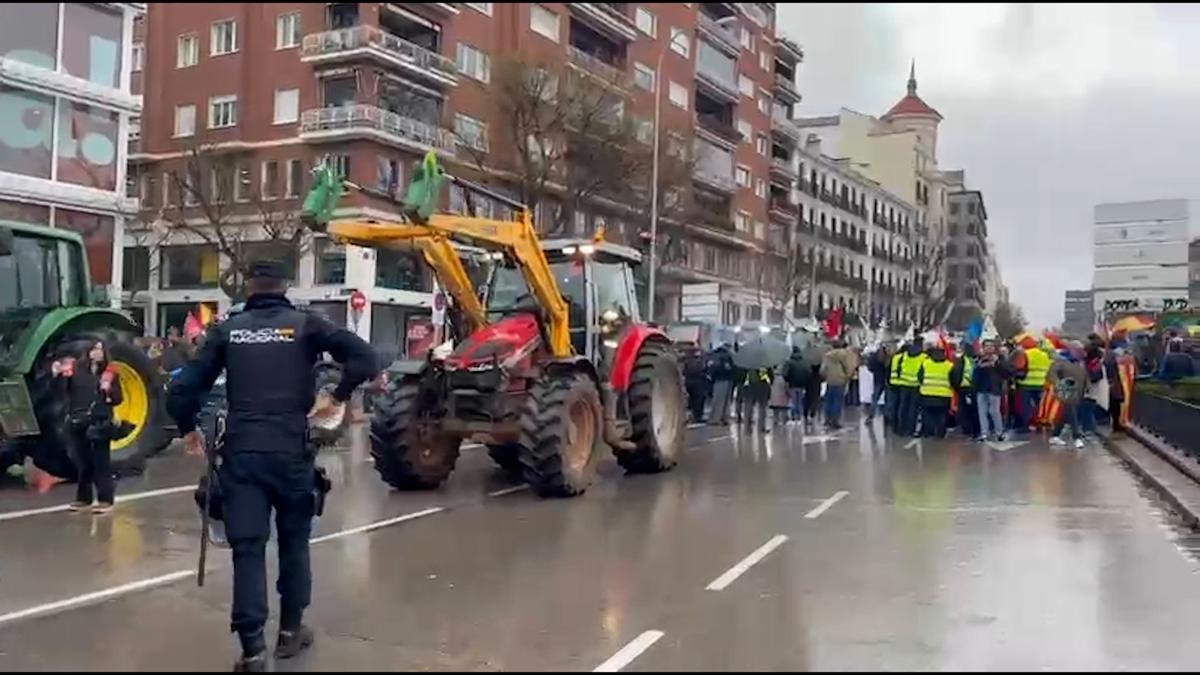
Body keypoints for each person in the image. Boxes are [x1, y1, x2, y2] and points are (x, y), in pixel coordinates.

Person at [167, 260, 379, 672]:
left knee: (247, 548)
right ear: (285, 285)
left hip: (243, 455)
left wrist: (188, 429)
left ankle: (252, 651)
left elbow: (182, 389)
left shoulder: (227, 331)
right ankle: (290, 633)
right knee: (294, 543)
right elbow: (366, 359)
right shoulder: (306, 326)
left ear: (248, 287)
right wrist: (338, 395)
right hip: (291, 453)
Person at [54, 340, 123, 515]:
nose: (97, 352)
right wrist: (58, 375)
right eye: (94, 349)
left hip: (99, 421)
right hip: (78, 420)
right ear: (88, 352)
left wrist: (108, 391)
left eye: (100, 349)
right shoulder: (77, 370)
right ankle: (83, 498)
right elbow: (64, 391)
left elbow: (118, 398)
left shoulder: (110, 373)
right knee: (83, 462)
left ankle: (105, 499)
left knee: (101, 462)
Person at [1047, 348, 1088, 448]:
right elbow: (1051, 375)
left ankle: (1055, 435)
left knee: (1064, 415)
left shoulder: (1078, 364)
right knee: (1071, 413)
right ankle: (1076, 438)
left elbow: (1084, 378)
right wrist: (1060, 385)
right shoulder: (1062, 362)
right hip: (1066, 393)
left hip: (1075, 392)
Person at [972, 340, 1009, 442]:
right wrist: (979, 367)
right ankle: (984, 433)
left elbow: (1008, 372)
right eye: (986, 346)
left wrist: (997, 363)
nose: (988, 348)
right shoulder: (978, 359)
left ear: (994, 348)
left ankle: (999, 432)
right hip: (981, 389)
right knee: (982, 412)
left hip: (994, 389)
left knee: (994, 411)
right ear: (983, 348)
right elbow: (974, 375)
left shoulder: (999, 359)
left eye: (991, 346)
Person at [917, 343, 954, 438]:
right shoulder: (949, 365)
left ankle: (928, 432)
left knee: (928, 415)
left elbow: (919, 377)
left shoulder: (925, 363)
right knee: (941, 415)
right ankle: (940, 433)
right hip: (944, 395)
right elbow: (954, 379)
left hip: (926, 393)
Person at [1013, 339, 1050, 432]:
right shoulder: (1044, 354)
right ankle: (1040, 423)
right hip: (1041, 383)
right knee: (1040, 405)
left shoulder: (1024, 354)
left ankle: (1026, 426)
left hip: (1026, 383)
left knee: (1025, 406)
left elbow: (1018, 367)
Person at [820, 340, 855, 430]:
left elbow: (823, 369)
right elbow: (849, 367)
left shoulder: (827, 355)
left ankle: (827, 420)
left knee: (829, 400)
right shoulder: (844, 354)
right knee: (837, 401)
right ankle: (835, 421)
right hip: (841, 380)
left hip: (830, 380)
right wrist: (848, 376)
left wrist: (825, 376)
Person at [894, 341, 927, 436]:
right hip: (916, 386)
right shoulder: (923, 357)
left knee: (903, 407)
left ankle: (901, 429)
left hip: (904, 385)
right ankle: (910, 429)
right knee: (913, 409)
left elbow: (899, 369)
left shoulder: (904, 355)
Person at [951, 345, 979, 439]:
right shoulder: (975, 360)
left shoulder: (962, 360)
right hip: (972, 388)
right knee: (973, 409)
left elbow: (956, 373)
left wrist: (956, 386)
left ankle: (967, 428)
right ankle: (974, 428)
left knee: (964, 410)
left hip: (965, 387)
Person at [706, 345, 735, 426]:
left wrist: (711, 376)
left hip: (719, 380)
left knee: (718, 400)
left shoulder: (716, 356)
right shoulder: (728, 356)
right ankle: (723, 418)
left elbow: (713, 368)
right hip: (727, 379)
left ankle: (716, 419)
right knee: (726, 401)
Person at [864, 344, 891, 423]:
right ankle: (887, 417)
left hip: (877, 379)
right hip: (887, 379)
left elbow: (870, 367)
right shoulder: (888, 357)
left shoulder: (874, 356)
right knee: (888, 400)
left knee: (875, 399)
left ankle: (870, 416)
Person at [682, 345, 708, 423]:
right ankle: (697, 416)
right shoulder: (698, 362)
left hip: (689, 382)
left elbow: (684, 372)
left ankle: (690, 415)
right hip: (697, 383)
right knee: (698, 400)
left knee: (691, 400)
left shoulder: (685, 361)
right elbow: (701, 371)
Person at [784, 346, 810, 422]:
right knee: (800, 401)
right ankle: (799, 417)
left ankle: (793, 416)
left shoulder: (789, 362)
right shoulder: (804, 362)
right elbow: (808, 372)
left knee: (793, 401)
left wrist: (787, 381)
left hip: (792, 384)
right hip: (802, 384)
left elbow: (785, 374)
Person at [743, 367, 773, 432]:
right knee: (762, 408)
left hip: (750, 387)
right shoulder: (765, 364)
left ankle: (747, 427)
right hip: (762, 386)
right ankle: (761, 427)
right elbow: (770, 376)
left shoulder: (747, 364)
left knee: (749, 408)